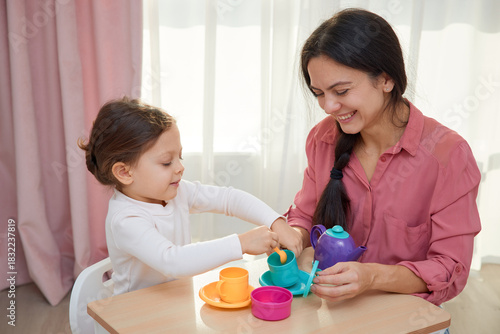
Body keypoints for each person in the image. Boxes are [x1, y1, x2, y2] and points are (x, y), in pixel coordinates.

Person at [273, 8, 481, 306]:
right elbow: (305, 216)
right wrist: (294, 242)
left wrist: (372, 276)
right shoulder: (323, 139)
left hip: (408, 319)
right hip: (335, 313)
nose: (328, 106)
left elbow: (450, 268)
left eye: (341, 90)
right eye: (318, 92)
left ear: (386, 80)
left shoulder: (448, 155)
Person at [78, 97, 285, 295]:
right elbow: (172, 261)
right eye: (167, 162)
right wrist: (241, 243)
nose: (180, 167)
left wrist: (276, 221)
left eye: (180, 156)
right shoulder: (125, 219)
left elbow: (228, 199)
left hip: (176, 303)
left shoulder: (177, 191)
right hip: (135, 315)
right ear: (125, 172)